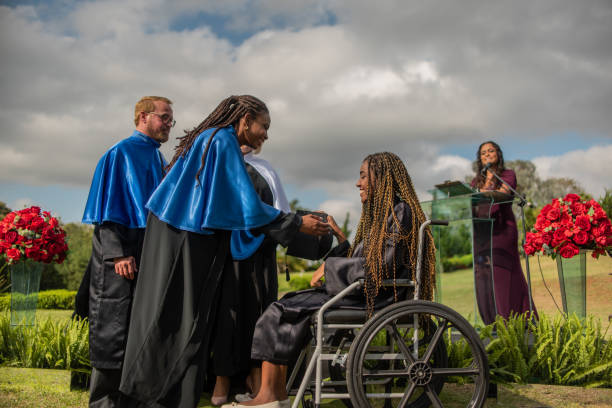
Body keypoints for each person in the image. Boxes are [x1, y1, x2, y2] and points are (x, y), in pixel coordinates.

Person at [118, 95, 330, 408]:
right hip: (185, 240)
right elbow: (243, 204)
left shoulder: (214, 138)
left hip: (183, 235)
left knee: (178, 320)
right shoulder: (222, 140)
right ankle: (158, 397)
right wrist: (297, 222)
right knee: (177, 322)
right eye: (264, 126)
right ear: (245, 120)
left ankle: (159, 397)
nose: (266, 135)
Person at [222, 152, 437, 408]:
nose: (358, 183)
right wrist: (339, 237)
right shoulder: (383, 216)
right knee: (285, 306)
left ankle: (270, 396)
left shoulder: (401, 211)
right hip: (364, 292)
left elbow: (381, 268)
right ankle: (273, 393)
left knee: (281, 310)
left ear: (382, 178)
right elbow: (365, 262)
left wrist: (330, 266)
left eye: (363, 176)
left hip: (377, 297)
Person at [78, 96, 174, 407]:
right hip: (120, 252)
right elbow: (108, 207)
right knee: (113, 327)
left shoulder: (159, 158)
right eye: (164, 118)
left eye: (171, 119)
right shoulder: (120, 153)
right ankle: (104, 401)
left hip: (148, 250)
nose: (169, 124)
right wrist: (117, 253)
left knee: (141, 327)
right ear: (144, 117)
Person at [471, 141, 536, 324]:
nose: (487, 155)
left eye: (491, 151)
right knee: (483, 275)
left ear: (498, 154)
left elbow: (503, 193)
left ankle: (512, 320)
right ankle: (490, 322)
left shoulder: (507, 175)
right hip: (481, 232)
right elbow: (471, 202)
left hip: (502, 231)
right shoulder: (475, 182)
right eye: (483, 153)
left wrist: (490, 182)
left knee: (502, 274)